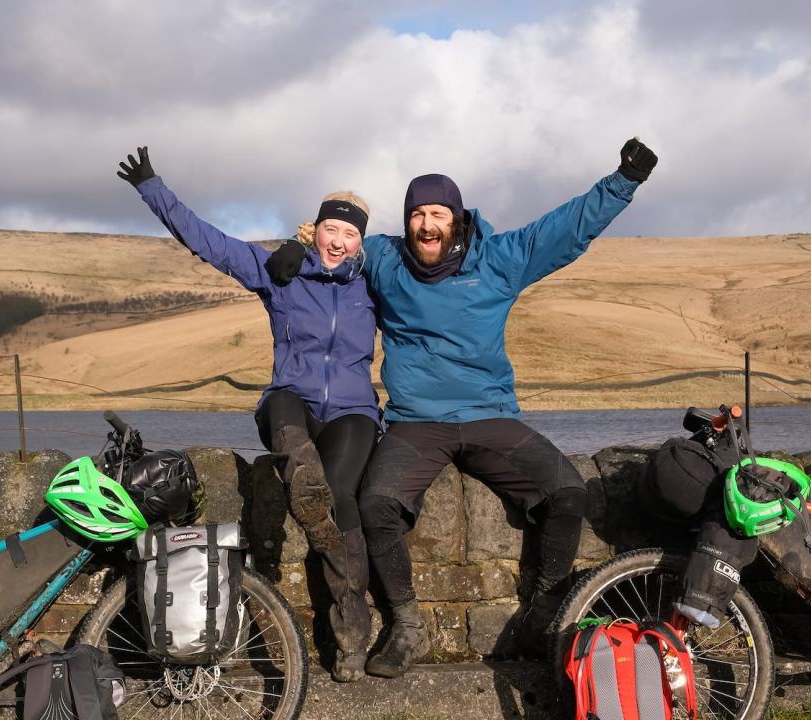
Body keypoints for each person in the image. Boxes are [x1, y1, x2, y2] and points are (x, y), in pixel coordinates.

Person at [266, 137, 659, 677]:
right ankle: (407, 626)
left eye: (438, 214)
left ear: (457, 217)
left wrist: (623, 181)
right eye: (418, 215)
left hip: (489, 415)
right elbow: (338, 238)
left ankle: (546, 615)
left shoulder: (499, 259)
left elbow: (567, 229)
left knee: (568, 491)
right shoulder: (385, 258)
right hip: (416, 423)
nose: (428, 225)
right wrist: (293, 246)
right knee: (377, 505)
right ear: (407, 222)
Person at [117, 147, 379, 682]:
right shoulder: (279, 273)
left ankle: (352, 631)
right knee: (283, 409)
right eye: (331, 228)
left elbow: (431, 263)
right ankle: (301, 472)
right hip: (290, 404)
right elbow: (210, 242)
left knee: (342, 498)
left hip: (352, 410)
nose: (338, 241)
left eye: (350, 234)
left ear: (361, 242)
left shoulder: (373, 284)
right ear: (316, 230)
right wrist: (153, 188)